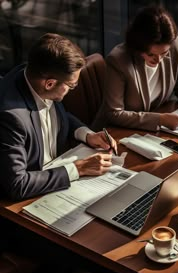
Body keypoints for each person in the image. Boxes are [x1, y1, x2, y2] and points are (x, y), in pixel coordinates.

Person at [0, 32, 117, 202]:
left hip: (57, 176)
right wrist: (78, 169)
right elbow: (18, 184)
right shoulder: (10, 117)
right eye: (71, 85)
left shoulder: (36, 76)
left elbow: (61, 117)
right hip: (27, 201)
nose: (72, 89)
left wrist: (87, 135)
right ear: (49, 83)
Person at [92, 4, 178, 132]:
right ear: (138, 46)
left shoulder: (175, 44)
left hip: (149, 131)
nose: (158, 60)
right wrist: (160, 119)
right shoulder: (118, 60)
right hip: (114, 133)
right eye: (151, 54)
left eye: (164, 53)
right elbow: (114, 113)